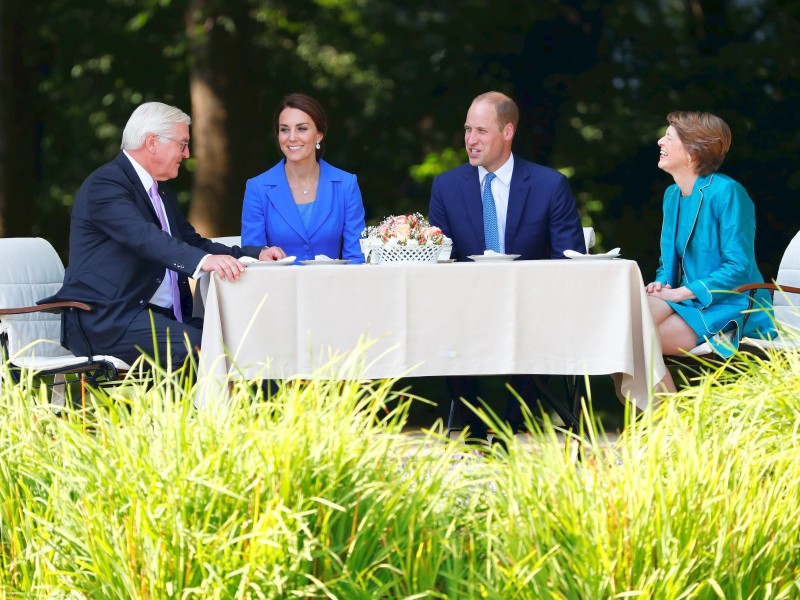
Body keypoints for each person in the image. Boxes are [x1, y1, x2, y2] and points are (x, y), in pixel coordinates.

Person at [41, 102, 285, 370]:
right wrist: (204, 262)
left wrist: (253, 253)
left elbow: (193, 243)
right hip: (109, 320)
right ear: (152, 142)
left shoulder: (160, 192)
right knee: (206, 350)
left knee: (245, 341)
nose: (187, 153)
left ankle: (263, 413)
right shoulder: (106, 185)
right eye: (182, 144)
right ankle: (202, 414)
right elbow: (146, 238)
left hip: (156, 316)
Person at [428, 90, 586, 441]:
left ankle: (509, 428)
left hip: (532, 309)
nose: (471, 140)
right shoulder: (446, 186)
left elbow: (570, 260)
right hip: (465, 310)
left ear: (508, 132)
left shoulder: (549, 185)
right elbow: (438, 260)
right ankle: (472, 427)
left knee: (546, 323)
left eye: (481, 131)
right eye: (468, 130)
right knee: (441, 323)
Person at [646, 111, 774, 391]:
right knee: (624, 322)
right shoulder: (672, 196)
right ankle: (670, 425)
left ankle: (667, 423)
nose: (660, 141)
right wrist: (662, 282)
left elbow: (739, 267)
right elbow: (669, 261)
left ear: (692, 151)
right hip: (687, 302)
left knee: (632, 341)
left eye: (668, 137)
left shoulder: (727, 191)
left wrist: (680, 292)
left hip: (731, 305)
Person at [241, 93, 366, 263]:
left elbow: (356, 257)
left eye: (302, 128)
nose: (292, 137)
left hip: (333, 286)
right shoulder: (257, 188)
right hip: (277, 287)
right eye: (284, 129)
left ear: (319, 135)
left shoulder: (346, 184)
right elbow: (253, 257)